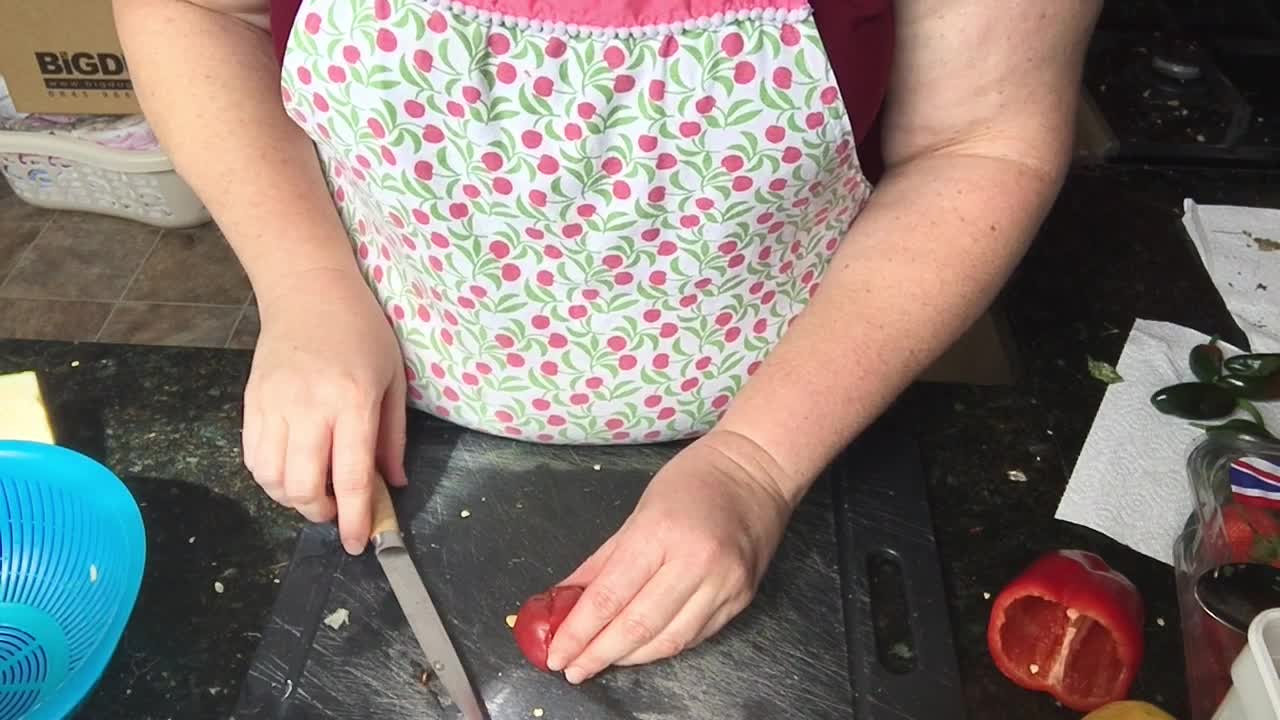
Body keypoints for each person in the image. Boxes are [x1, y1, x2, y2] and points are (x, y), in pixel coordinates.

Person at [114, 0, 1101, 686]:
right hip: (387, 388)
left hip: (790, 403)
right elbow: (189, 12)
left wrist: (755, 464)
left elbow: (978, 138)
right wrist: (305, 289)